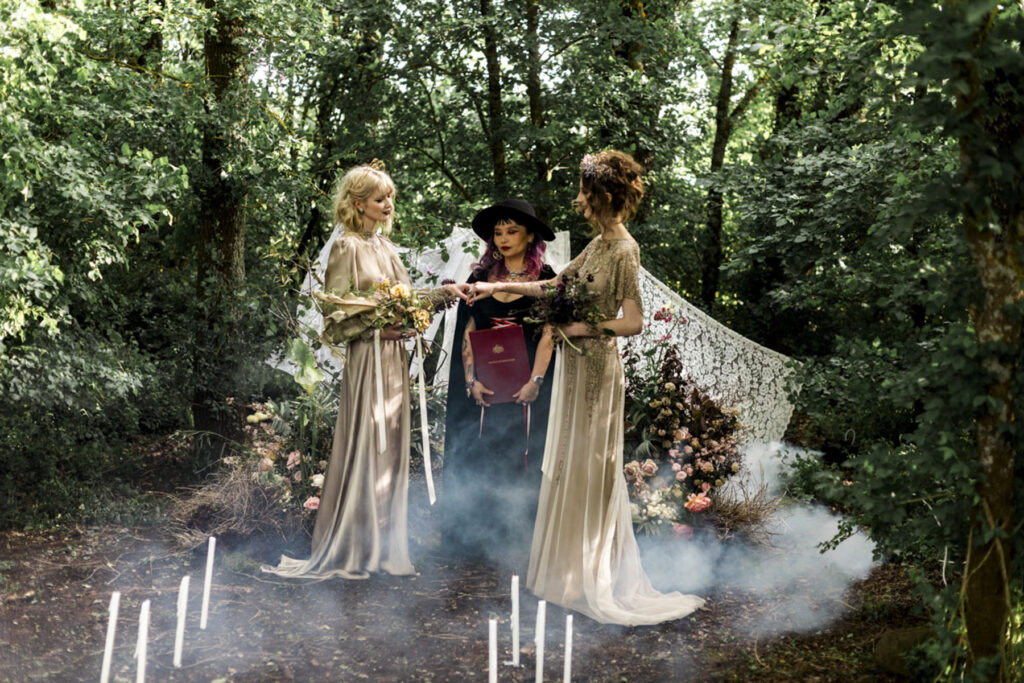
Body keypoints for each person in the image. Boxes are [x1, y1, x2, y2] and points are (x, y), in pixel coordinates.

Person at [467, 151, 705, 625]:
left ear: (602, 196)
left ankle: (594, 576)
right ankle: (567, 575)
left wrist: (580, 328)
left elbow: (632, 321)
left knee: (592, 466)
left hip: (597, 369)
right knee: (570, 463)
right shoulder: (597, 244)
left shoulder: (623, 250)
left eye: (583, 192)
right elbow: (554, 285)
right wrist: (492, 290)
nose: (577, 200)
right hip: (575, 372)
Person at [264, 164, 465, 580]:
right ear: (358, 204)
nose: (388, 205)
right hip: (368, 357)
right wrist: (376, 324)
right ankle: (354, 545)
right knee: (367, 442)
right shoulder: (347, 247)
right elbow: (334, 313)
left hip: (393, 358)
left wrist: (445, 294)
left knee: (390, 446)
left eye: (389, 197)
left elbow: (405, 298)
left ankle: (384, 547)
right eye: (379, 199)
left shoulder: (388, 249)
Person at [440, 200, 557, 570]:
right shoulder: (479, 279)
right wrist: (471, 380)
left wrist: (536, 380)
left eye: (512, 231)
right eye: (498, 232)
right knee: (481, 453)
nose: (503, 239)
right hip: (487, 388)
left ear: (530, 236)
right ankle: (475, 538)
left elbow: (549, 334)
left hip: (529, 387)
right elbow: (468, 332)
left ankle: (521, 538)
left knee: (524, 453)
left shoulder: (547, 279)